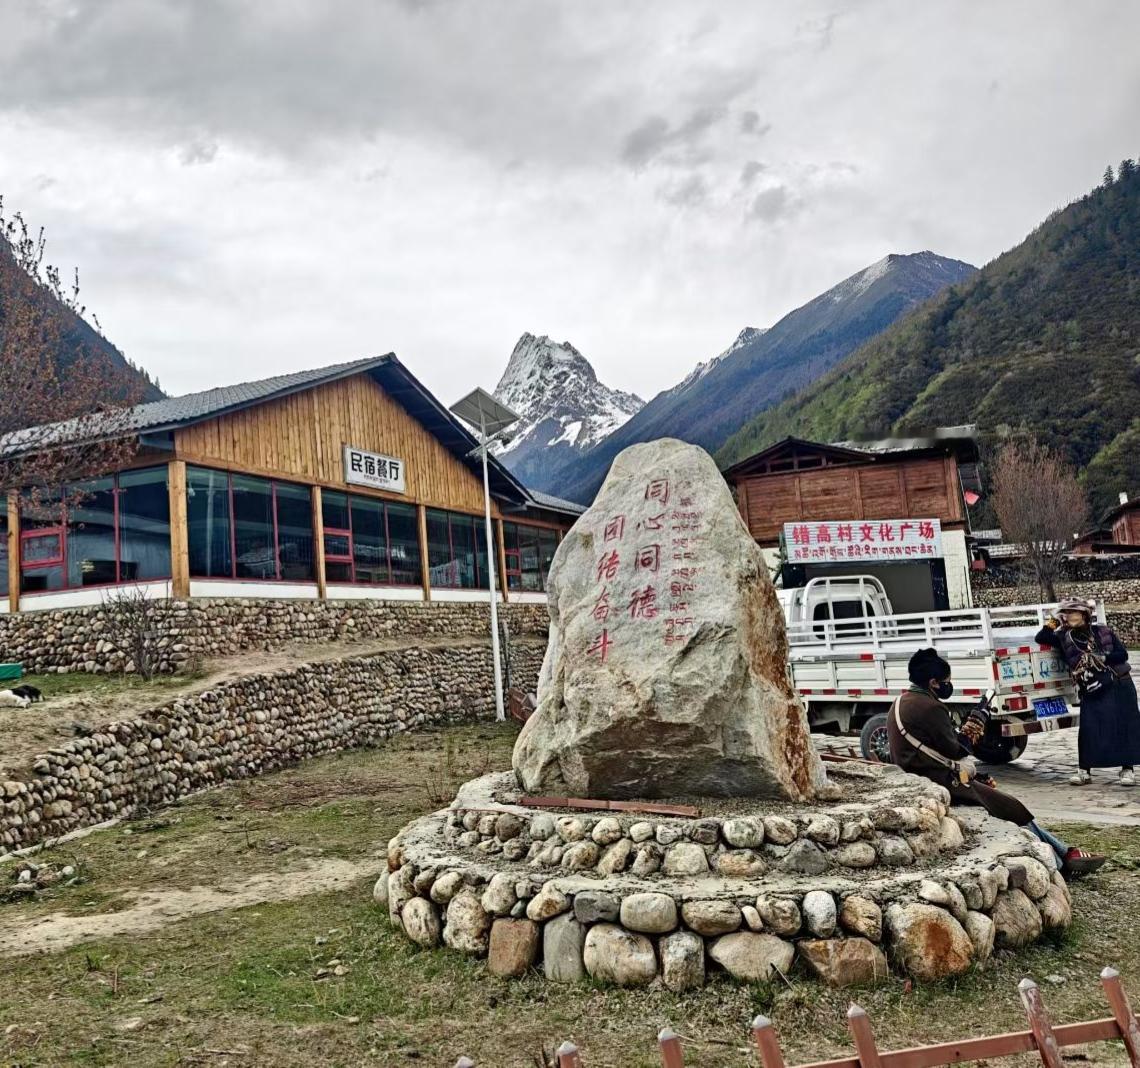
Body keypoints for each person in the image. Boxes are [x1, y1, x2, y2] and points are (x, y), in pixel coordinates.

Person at [888, 647, 1105, 877]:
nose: (948, 685)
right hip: (937, 779)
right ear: (933, 682)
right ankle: (1062, 859)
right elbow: (955, 749)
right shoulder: (931, 707)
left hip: (923, 773)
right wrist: (976, 723)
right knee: (1008, 804)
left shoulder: (901, 701)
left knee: (1002, 800)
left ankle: (1065, 852)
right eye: (946, 682)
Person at [1036, 598, 1140, 787]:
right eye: (1066, 613)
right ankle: (1084, 771)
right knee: (1089, 729)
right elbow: (1041, 637)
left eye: (1073, 612)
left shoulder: (1103, 631)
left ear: (1084, 614)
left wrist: (1103, 657)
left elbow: (1122, 654)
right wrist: (1054, 620)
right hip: (1091, 687)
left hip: (1119, 683)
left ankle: (1127, 770)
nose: (1069, 616)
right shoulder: (1063, 636)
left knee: (1124, 726)